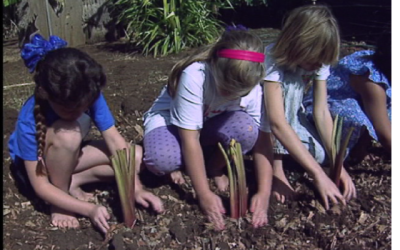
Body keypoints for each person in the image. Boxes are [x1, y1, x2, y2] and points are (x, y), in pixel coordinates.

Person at [8, 34, 164, 234]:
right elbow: (39, 185)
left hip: (67, 156)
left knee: (137, 157)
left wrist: (135, 188)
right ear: (46, 94)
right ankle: (61, 202)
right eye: (70, 110)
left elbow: (115, 140)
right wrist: (89, 209)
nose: (80, 112)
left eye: (85, 107)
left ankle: (73, 181)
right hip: (35, 171)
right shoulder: (29, 120)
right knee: (69, 134)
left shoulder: (87, 91)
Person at [142, 28, 274, 230]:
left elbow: (263, 141)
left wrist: (264, 193)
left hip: (208, 126)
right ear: (214, 65)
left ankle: (213, 166)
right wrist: (203, 194)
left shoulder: (253, 88)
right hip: (173, 126)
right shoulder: (195, 75)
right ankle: (180, 165)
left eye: (237, 93)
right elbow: (190, 139)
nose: (229, 95)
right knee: (161, 160)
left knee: (247, 130)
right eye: (226, 89)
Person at [262, 5, 357, 210]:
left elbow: (321, 111)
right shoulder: (271, 58)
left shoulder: (319, 59)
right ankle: (276, 166)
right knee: (291, 86)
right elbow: (276, 121)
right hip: (265, 122)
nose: (318, 65)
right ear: (297, 46)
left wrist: (338, 164)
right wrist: (318, 174)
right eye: (314, 60)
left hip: (293, 115)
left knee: (322, 155)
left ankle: (294, 156)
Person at [303, 32, 391, 160]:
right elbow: (385, 134)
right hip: (328, 105)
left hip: (362, 100)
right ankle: (347, 152)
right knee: (355, 120)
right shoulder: (372, 81)